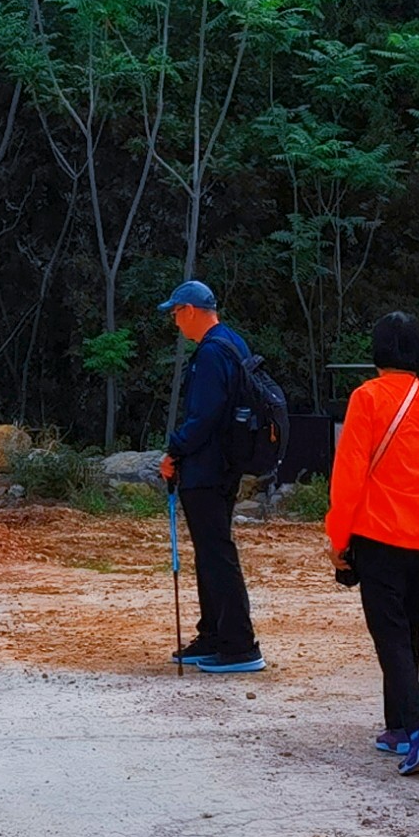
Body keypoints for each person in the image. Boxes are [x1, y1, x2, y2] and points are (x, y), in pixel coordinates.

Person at [326, 307, 419, 774]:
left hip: (379, 534)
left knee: (390, 635)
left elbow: (348, 475)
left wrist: (338, 537)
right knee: (408, 630)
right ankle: (398, 727)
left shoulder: (366, 398)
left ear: (377, 353)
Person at [155, 277, 264, 676]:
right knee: (211, 551)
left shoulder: (212, 353)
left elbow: (203, 417)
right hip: (223, 465)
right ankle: (215, 635)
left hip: (208, 468)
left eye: (176, 313)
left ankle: (239, 644)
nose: (175, 321)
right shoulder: (232, 343)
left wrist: (174, 450)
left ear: (190, 311)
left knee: (217, 553)